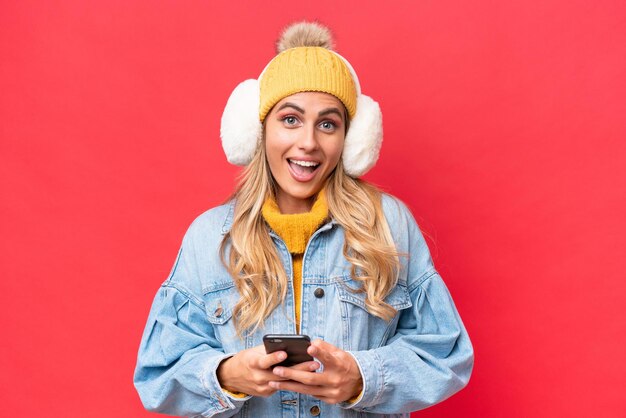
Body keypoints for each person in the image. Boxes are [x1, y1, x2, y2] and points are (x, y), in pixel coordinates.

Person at [134, 21, 474, 417]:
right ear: (258, 130)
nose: (308, 142)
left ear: (350, 140)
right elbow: (158, 375)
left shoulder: (389, 225)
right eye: (290, 119)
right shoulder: (209, 236)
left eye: (327, 124)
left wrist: (363, 378)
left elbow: (446, 353)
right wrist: (226, 375)